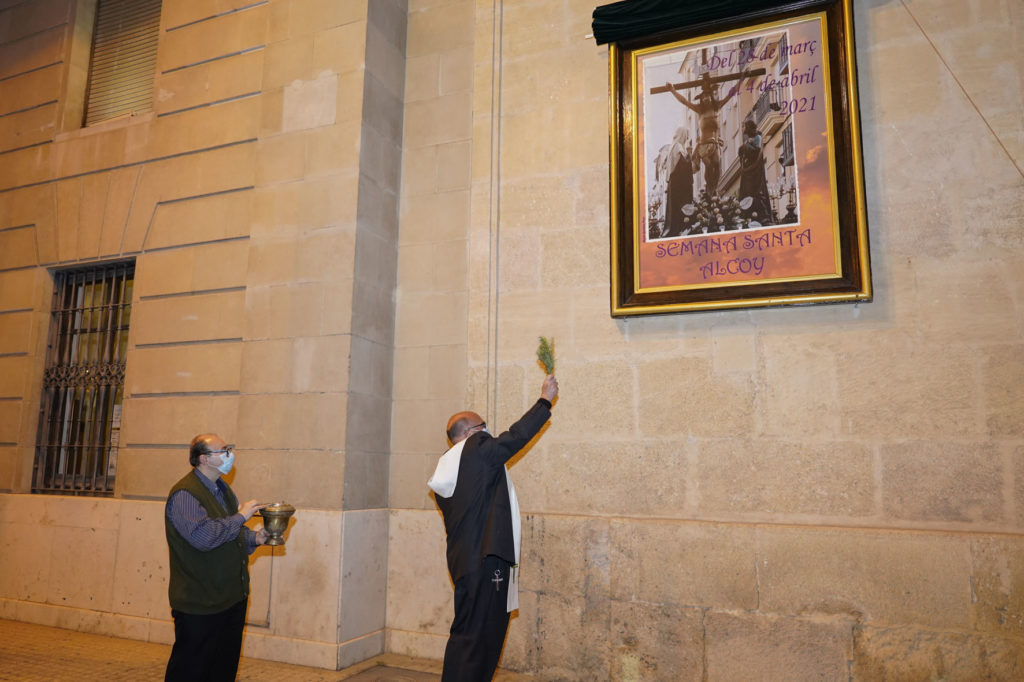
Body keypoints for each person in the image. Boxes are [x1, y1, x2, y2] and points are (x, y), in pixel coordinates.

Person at [428, 374, 559, 681]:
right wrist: (545, 400)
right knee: (484, 638)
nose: (487, 431)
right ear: (470, 432)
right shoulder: (476, 447)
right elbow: (514, 438)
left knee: (466, 636)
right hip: (487, 562)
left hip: (465, 563)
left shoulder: (449, 465)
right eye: (483, 425)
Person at [164, 433, 268, 682]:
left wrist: (256, 538)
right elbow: (203, 538)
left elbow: (229, 534)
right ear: (204, 459)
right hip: (200, 604)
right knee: (191, 671)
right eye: (223, 450)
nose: (229, 454)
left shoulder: (223, 491)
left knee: (222, 670)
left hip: (230, 599)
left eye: (228, 448)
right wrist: (241, 516)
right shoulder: (185, 494)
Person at [738, 119, 774, 226]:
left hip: (755, 172)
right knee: (747, 192)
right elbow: (743, 154)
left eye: (745, 126)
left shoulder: (757, 138)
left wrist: (746, 147)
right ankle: (748, 214)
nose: (743, 129)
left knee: (756, 192)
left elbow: (756, 151)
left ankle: (762, 215)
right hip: (748, 172)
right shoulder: (749, 140)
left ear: (748, 128)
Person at [664, 126, 696, 237]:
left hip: (675, 184)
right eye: (686, 136)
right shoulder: (678, 147)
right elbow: (683, 164)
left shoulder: (674, 146)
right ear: (682, 135)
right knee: (680, 210)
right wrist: (690, 154)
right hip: (679, 185)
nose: (686, 139)